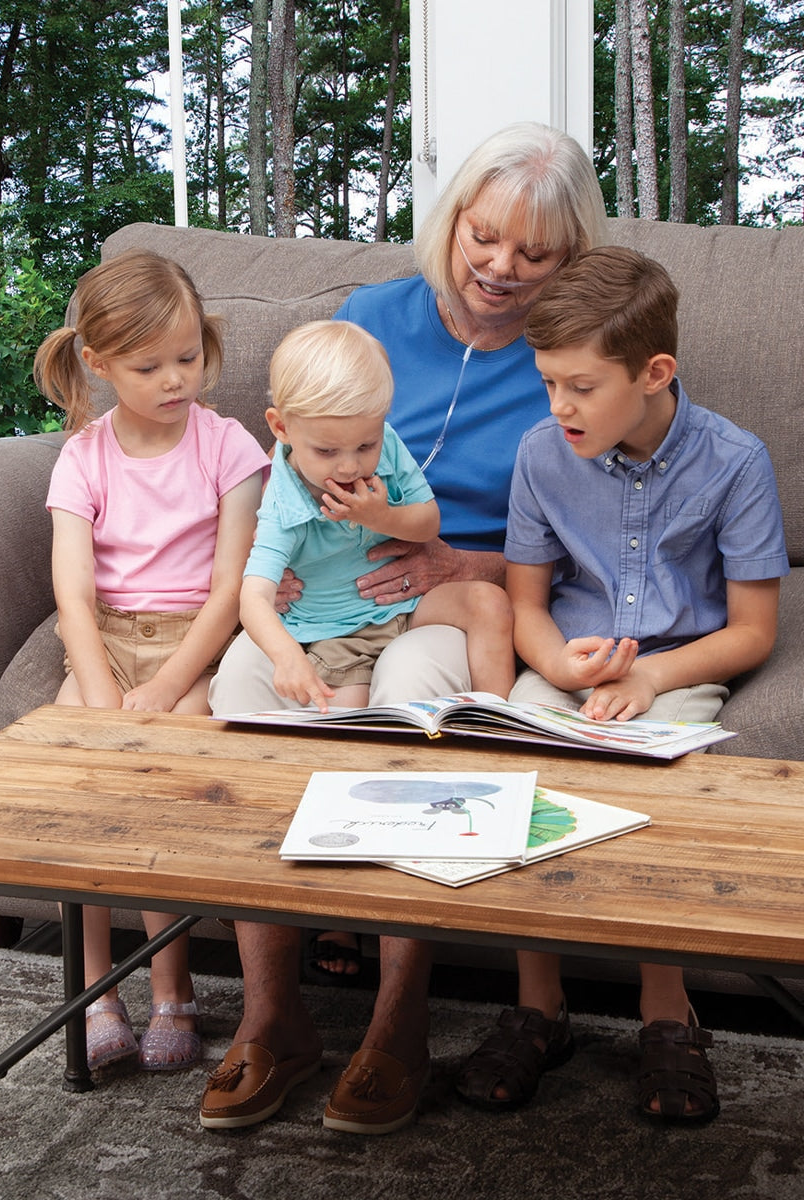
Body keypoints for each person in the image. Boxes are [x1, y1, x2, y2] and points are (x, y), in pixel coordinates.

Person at [200, 122, 607, 1134]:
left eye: (535, 254)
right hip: (325, 597)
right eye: (484, 237)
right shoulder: (372, 318)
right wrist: (280, 570)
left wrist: (454, 564)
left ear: (570, 261)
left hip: (449, 594)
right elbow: (285, 461)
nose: (501, 269)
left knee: (410, 709)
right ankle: (273, 1015)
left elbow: (591, 531)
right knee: (243, 693)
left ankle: (396, 1024)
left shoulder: (569, 361)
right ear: (453, 221)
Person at [455, 245, 787, 1124]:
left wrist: (652, 675)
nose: (559, 405)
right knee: (509, 771)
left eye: (581, 386)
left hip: (674, 667)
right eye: (547, 383)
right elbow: (525, 606)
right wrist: (558, 663)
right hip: (568, 661)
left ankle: (667, 1017)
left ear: (654, 373)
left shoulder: (736, 461)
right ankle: (539, 1007)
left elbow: (753, 630)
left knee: (650, 782)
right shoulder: (541, 454)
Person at [36, 249, 269, 1073]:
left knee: (165, 790)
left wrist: (170, 686)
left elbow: (229, 589)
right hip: (103, 641)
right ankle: (98, 992)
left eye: (188, 358)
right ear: (98, 366)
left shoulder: (228, 447)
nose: (176, 380)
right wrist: (100, 696)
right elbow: (72, 594)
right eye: (149, 366)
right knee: (78, 783)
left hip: (193, 644)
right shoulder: (83, 457)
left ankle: (173, 990)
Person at [240, 319, 514, 717]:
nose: (351, 466)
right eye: (328, 452)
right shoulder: (284, 503)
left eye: (365, 445)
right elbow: (254, 596)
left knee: (489, 602)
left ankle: (502, 719)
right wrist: (285, 656)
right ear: (281, 428)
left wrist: (382, 516)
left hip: (410, 602)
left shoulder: (386, 444)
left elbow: (428, 523)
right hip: (340, 629)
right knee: (347, 721)